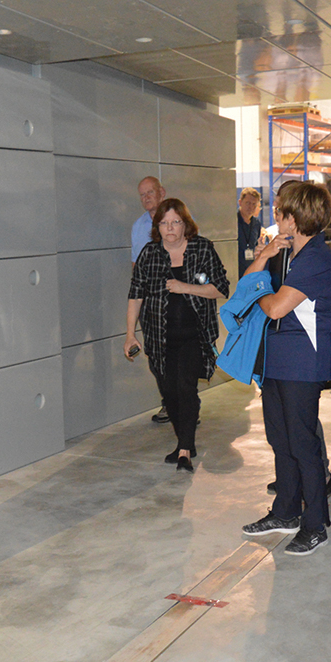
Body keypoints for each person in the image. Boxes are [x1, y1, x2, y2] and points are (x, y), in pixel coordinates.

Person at [241, 182, 331, 555]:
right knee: (280, 440)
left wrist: (259, 290)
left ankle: (315, 523)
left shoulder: (315, 259)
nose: (275, 216)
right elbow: (248, 281)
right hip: (277, 360)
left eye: (280, 212)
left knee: (302, 445)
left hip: (302, 364)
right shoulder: (288, 253)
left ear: (294, 219)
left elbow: (276, 307)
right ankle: (285, 511)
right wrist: (265, 256)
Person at [124, 198, 229, 471]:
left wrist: (186, 287)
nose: (170, 228)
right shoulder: (149, 254)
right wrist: (130, 334)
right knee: (169, 393)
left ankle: (184, 451)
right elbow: (136, 295)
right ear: (157, 227)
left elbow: (221, 288)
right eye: (164, 223)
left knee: (186, 387)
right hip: (159, 338)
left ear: (185, 224)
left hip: (195, 335)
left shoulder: (202, 249)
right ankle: (186, 440)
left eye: (175, 222)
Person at [132, 176, 169, 424]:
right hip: (150, 302)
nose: (146, 198)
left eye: (150, 193)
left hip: (176, 299)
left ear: (161, 192)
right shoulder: (138, 226)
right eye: (142, 194)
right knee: (155, 356)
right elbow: (136, 267)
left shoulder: (178, 219)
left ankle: (185, 405)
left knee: (177, 354)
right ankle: (169, 402)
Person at [237, 187, 263, 277]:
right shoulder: (233, 222)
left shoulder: (256, 224)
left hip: (250, 270)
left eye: (254, 204)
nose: (251, 207)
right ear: (240, 202)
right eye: (248, 203)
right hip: (235, 269)